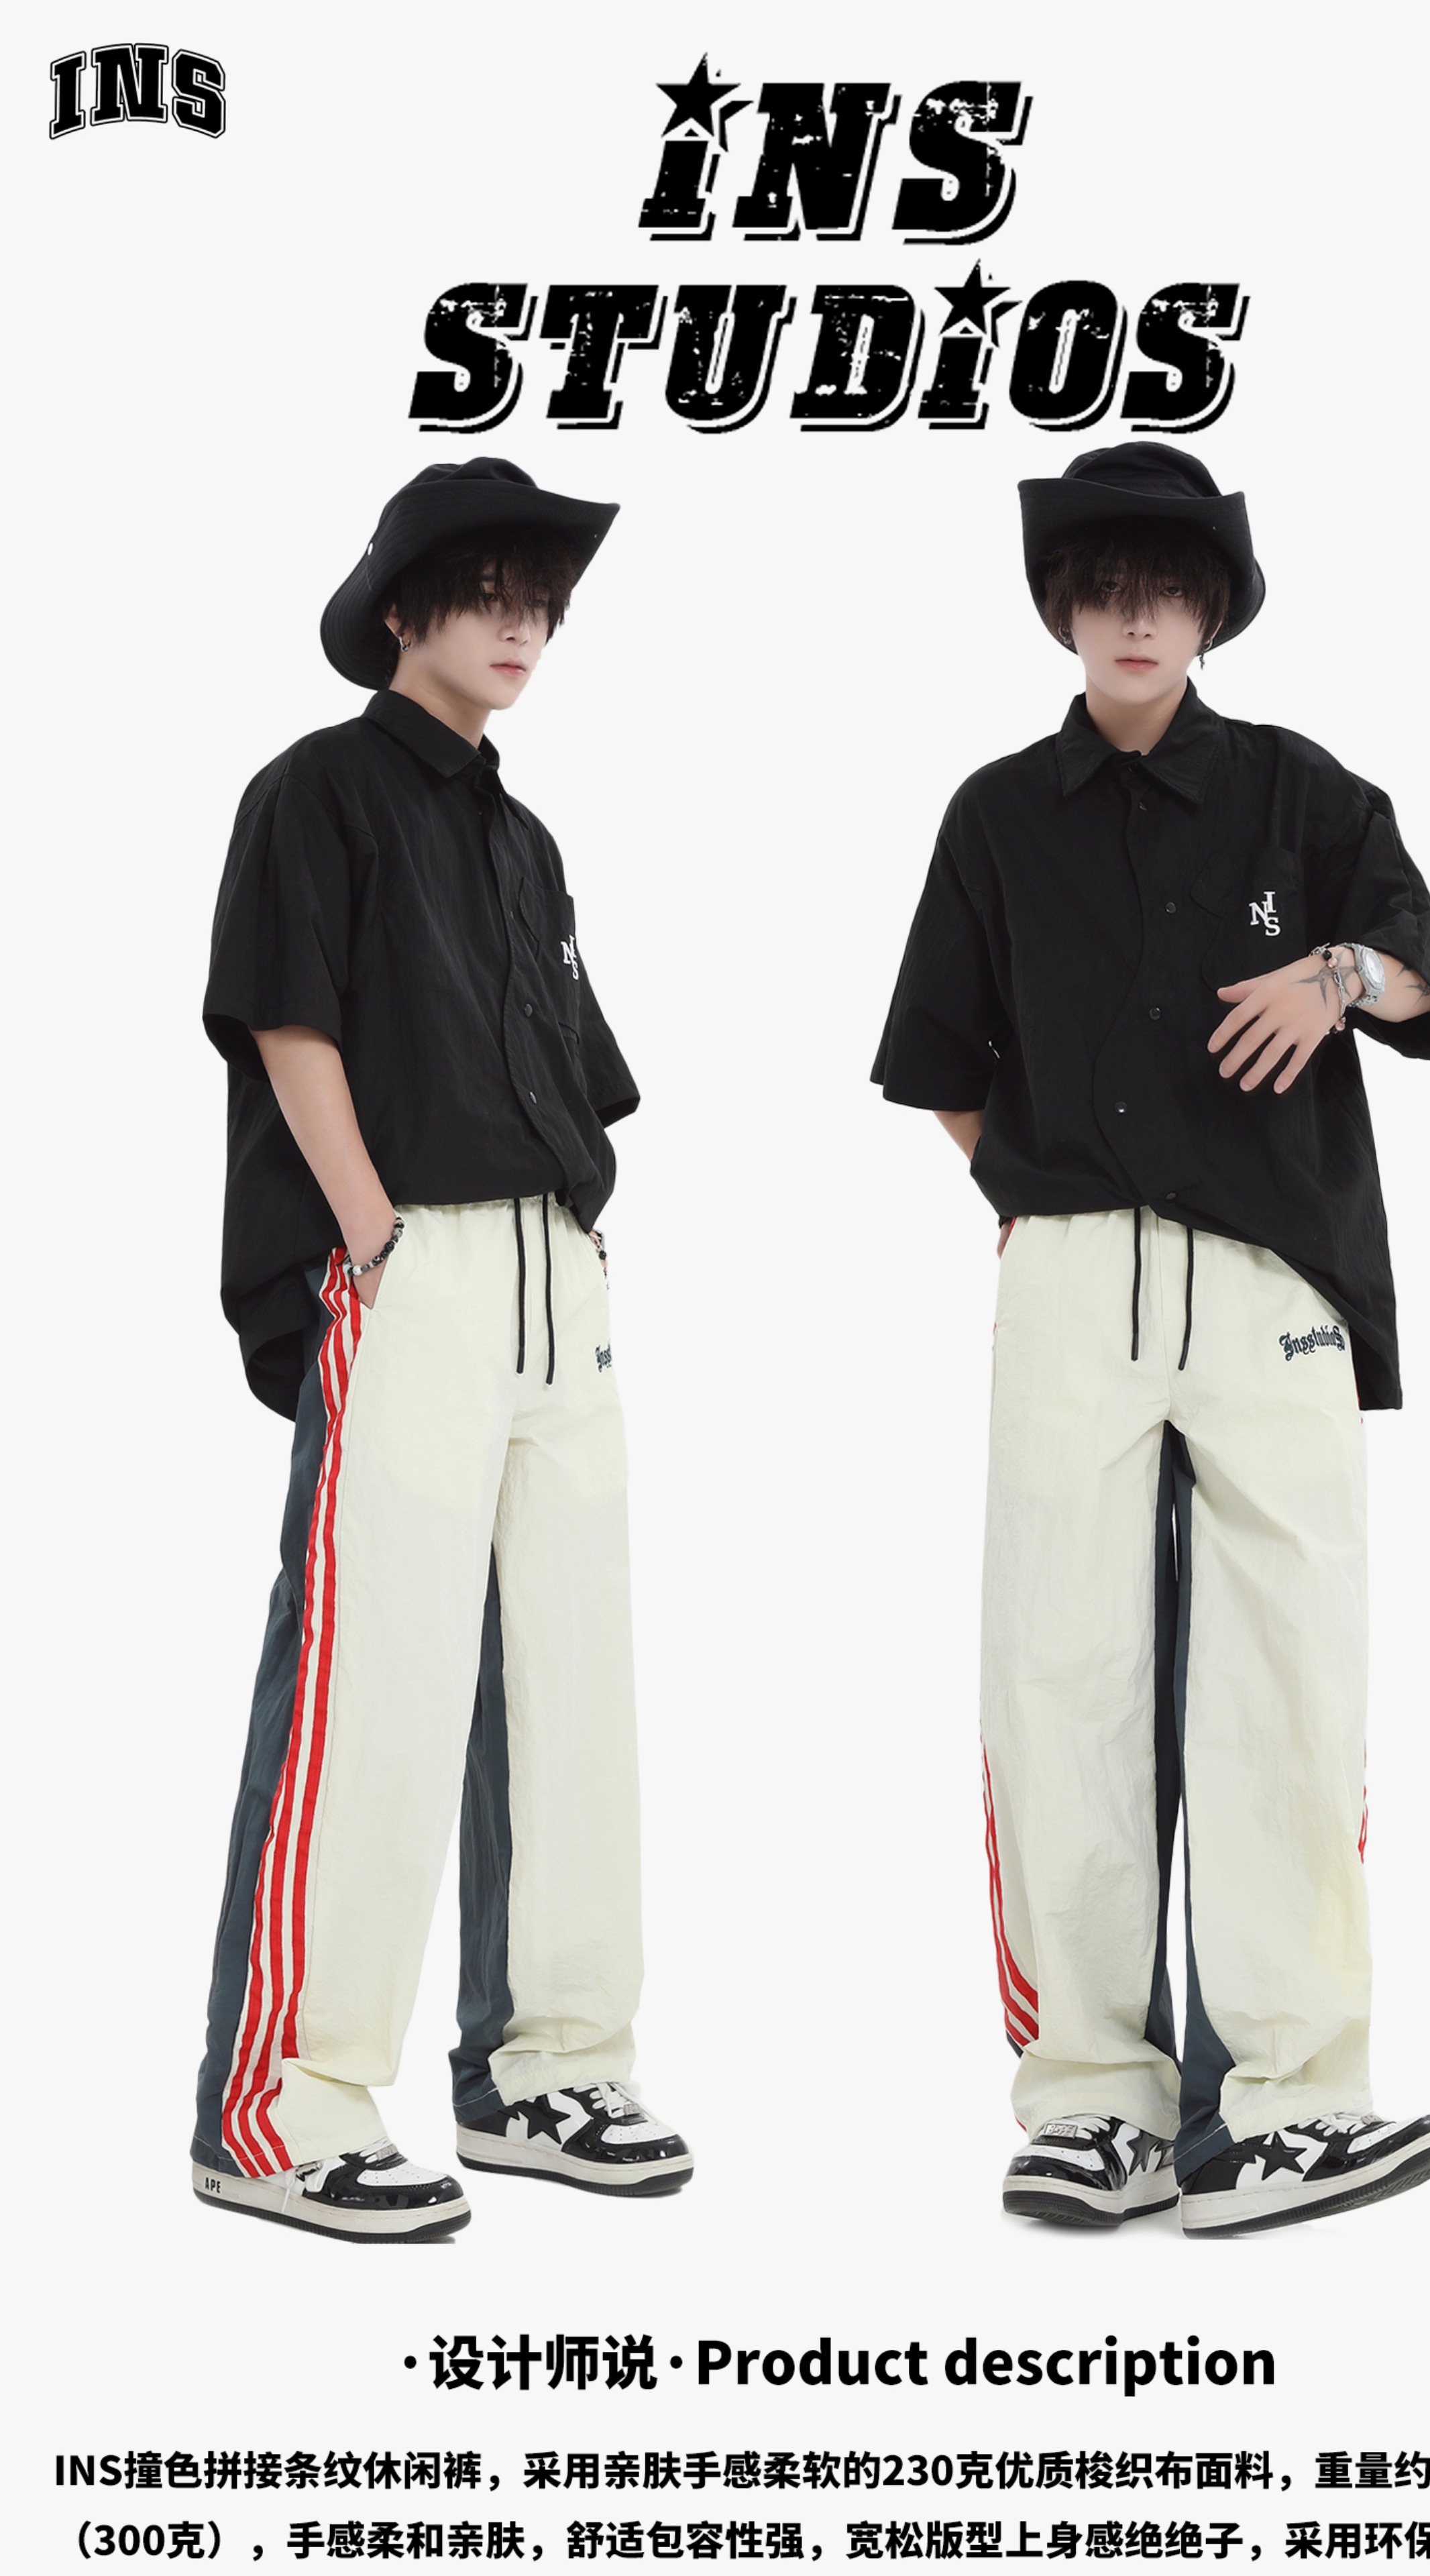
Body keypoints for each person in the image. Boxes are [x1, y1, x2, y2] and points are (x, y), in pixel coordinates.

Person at [871, 442, 1430, 2238]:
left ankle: (1287, 2104)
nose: (1138, 616)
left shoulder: (1304, 793)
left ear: (1211, 612)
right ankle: (1097, 2110)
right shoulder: (996, 815)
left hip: (1277, 1286)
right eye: (1108, 587)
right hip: (1074, 1281)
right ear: (1065, 608)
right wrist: (1046, 1212)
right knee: (1056, 1673)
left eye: (1170, 588)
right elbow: (940, 1066)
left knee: (1288, 1677)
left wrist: (1338, 977)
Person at [190, 456, 691, 2241]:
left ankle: (548, 2065)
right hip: (410, 1264)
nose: (521, 624)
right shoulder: (315, 790)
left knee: (570, 1684)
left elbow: (575, 1070)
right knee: (373, 1683)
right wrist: (374, 1235)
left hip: (559, 1281)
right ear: (404, 608)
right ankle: (281, 2108)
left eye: (539, 601)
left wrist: (579, 1250)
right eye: (488, 594)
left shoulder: (523, 839)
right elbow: (289, 1023)